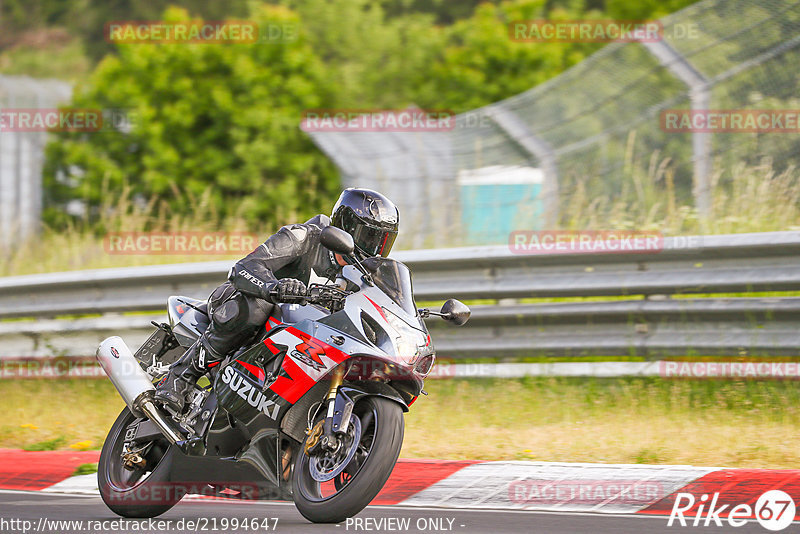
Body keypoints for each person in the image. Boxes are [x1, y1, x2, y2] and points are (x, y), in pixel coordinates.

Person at [154, 188, 400, 412]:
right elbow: (245, 268)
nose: (374, 248)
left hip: (300, 337)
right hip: (243, 303)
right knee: (257, 306)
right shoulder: (303, 237)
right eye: (368, 237)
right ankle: (181, 376)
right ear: (345, 228)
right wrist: (274, 287)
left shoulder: (365, 275)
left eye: (382, 241)